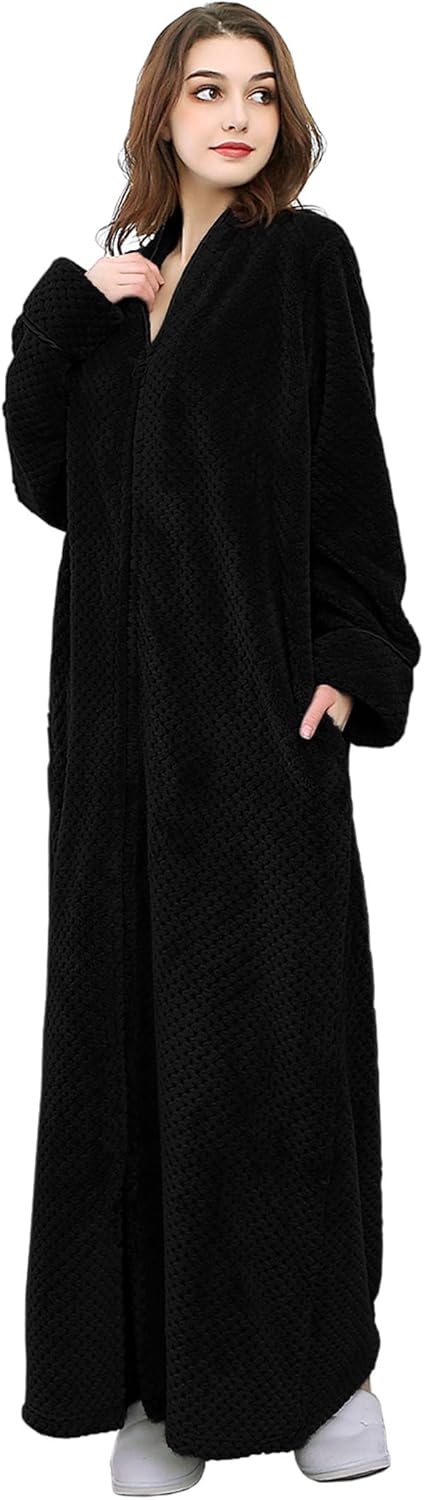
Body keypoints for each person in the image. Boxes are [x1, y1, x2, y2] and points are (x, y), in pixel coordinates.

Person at [3, 4, 420, 1493]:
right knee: (127, 1053)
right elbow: (50, 481)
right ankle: (155, 1383)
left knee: (275, 1048)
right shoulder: (116, 290)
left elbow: (349, 477)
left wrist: (355, 662)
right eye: (205, 89)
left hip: (253, 732)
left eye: (259, 91)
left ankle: (319, 1374)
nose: (235, 113)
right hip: (116, 755)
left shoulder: (304, 264)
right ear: (161, 114)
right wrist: (65, 313)